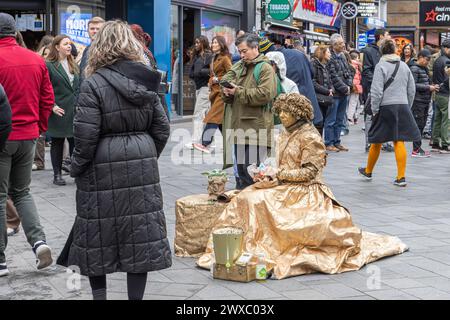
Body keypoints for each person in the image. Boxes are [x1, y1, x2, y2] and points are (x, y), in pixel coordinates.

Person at [197, 93, 408, 279]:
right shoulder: (286, 132)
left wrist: (278, 173)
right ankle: (233, 248)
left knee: (259, 202)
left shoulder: (310, 136)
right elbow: (281, 164)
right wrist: (267, 173)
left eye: (287, 112)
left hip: (305, 190)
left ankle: (257, 248)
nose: (283, 116)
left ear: (298, 113)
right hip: (283, 184)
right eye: (281, 112)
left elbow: (309, 173)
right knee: (246, 197)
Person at [59, 20, 172, 300]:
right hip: (141, 164)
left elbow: (84, 137)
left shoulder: (93, 83)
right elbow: (162, 128)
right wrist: (144, 154)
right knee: (140, 236)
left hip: (99, 166)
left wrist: (77, 167)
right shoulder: (146, 79)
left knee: (96, 234)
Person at [0, 12, 54, 276]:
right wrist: (40, 128)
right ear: (13, 32)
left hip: (2, 138)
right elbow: (47, 99)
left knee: (0, 197)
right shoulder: (35, 59)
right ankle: (39, 242)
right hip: (28, 135)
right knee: (22, 192)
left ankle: (0, 260)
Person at [358, 39, 420, 187]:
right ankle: (401, 177)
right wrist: (407, 106)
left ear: (381, 51)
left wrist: (374, 110)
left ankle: (368, 170)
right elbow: (412, 89)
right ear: (395, 51)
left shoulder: (380, 66)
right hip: (402, 105)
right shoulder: (404, 66)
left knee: (377, 139)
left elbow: (377, 90)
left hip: (385, 106)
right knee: (399, 140)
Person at [220, 33, 277, 189]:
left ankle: (255, 209)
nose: (242, 54)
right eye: (239, 51)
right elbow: (231, 95)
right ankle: (244, 208)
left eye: (244, 51)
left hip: (256, 130)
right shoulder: (240, 67)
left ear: (255, 48)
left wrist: (237, 92)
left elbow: (265, 94)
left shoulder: (265, 68)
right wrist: (227, 93)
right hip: (239, 127)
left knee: (252, 175)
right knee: (241, 173)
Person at [46, 35, 80, 186]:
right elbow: (45, 88)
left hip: (75, 109)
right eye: (65, 44)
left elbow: (78, 87)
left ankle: (76, 171)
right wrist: (52, 105)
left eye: (70, 44)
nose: (69, 46)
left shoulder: (74, 64)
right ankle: (57, 174)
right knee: (58, 143)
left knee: (76, 142)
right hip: (59, 111)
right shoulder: (49, 65)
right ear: (57, 47)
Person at [193, 36, 232, 154]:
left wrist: (217, 79)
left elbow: (231, 74)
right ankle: (231, 144)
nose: (213, 44)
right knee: (220, 122)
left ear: (221, 44)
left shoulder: (225, 58)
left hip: (222, 93)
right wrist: (211, 81)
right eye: (212, 42)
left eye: (215, 42)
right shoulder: (213, 58)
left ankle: (205, 143)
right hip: (214, 93)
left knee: (212, 117)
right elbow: (211, 74)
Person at [361, 29, 394, 153]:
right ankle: (369, 142)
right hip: (372, 89)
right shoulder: (369, 51)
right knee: (370, 115)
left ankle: (385, 142)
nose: (389, 36)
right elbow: (366, 71)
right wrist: (377, 82)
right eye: (387, 35)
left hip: (386, 89)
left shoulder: (387, 52)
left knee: (385, 115)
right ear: (380, 36)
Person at [278, 42, 323, 129]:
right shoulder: (299, 55)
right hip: (307, 96)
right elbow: (312, 73)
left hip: (297, 99)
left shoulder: (283, 59)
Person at [325, 34, 355, 152]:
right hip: (335, 94)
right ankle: (329, 142)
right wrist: (345, 87)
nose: (343, 45)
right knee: (331, 120)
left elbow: (348, 71)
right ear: (334, 45)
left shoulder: (342, 56)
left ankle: (337, 142)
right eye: (341, 43)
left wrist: (349, 85)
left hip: (344, 93)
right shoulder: (330, 57)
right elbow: (333, 76)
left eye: (343, 43)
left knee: (339, 120)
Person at [186, 36, 213, 149]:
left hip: (205, 87)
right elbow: (192, 73)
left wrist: (200, 71)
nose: (196, 44)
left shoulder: (208, 55)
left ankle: (195, 141)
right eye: (195, 42)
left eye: (198, 42)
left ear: (203, 43)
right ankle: (210, 140)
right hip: (199, 87)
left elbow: (212, 70)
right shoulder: (197, 56)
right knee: (207, 115)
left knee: (198, 114)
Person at [410, 49, 437, 158]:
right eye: (426, 60)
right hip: (418, 101)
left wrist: (432, 86)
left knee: (422, 124)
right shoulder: (414, 69)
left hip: (425, 100)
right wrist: (428, 87)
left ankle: (418, 148)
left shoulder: (424, 69)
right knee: (418, 124)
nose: (427, 62)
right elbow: (413, 85)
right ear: (420, 57)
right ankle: (416, 149)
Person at [431, 39, 450, 153]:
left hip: (437, 93)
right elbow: (448, 80)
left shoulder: (437, 60)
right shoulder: (447, 61)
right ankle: (445, 143)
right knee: (446, 119)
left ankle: (435, 142)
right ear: (447, 48)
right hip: (445, 94)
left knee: (437, 118)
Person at [311, 45, 334, 136]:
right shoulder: (314, 64)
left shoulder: (325, 65)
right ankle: (317, 146)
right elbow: (313, 82)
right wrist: (327, 91)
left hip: (325, 98)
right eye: (328, 52)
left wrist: (331, 89)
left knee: (322, 122)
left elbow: (329, 80)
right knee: (318, 123)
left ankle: (319, 145)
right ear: (322, 53)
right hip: (318, 98)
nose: (330, 54)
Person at [79, 16, 105, 83]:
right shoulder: (87, 48)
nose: (95, 31)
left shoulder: (107, 49)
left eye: (98, 29)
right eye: (92, 29)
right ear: (88, 31)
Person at [348, 50, 363, 125]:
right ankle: (350, 118)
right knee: (353, 102)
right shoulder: (357, 65)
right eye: (358, 58)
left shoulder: (349, 64)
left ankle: (354, 117)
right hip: (355, 86)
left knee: (353, 102)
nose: (359, 59)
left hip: (350, 86)